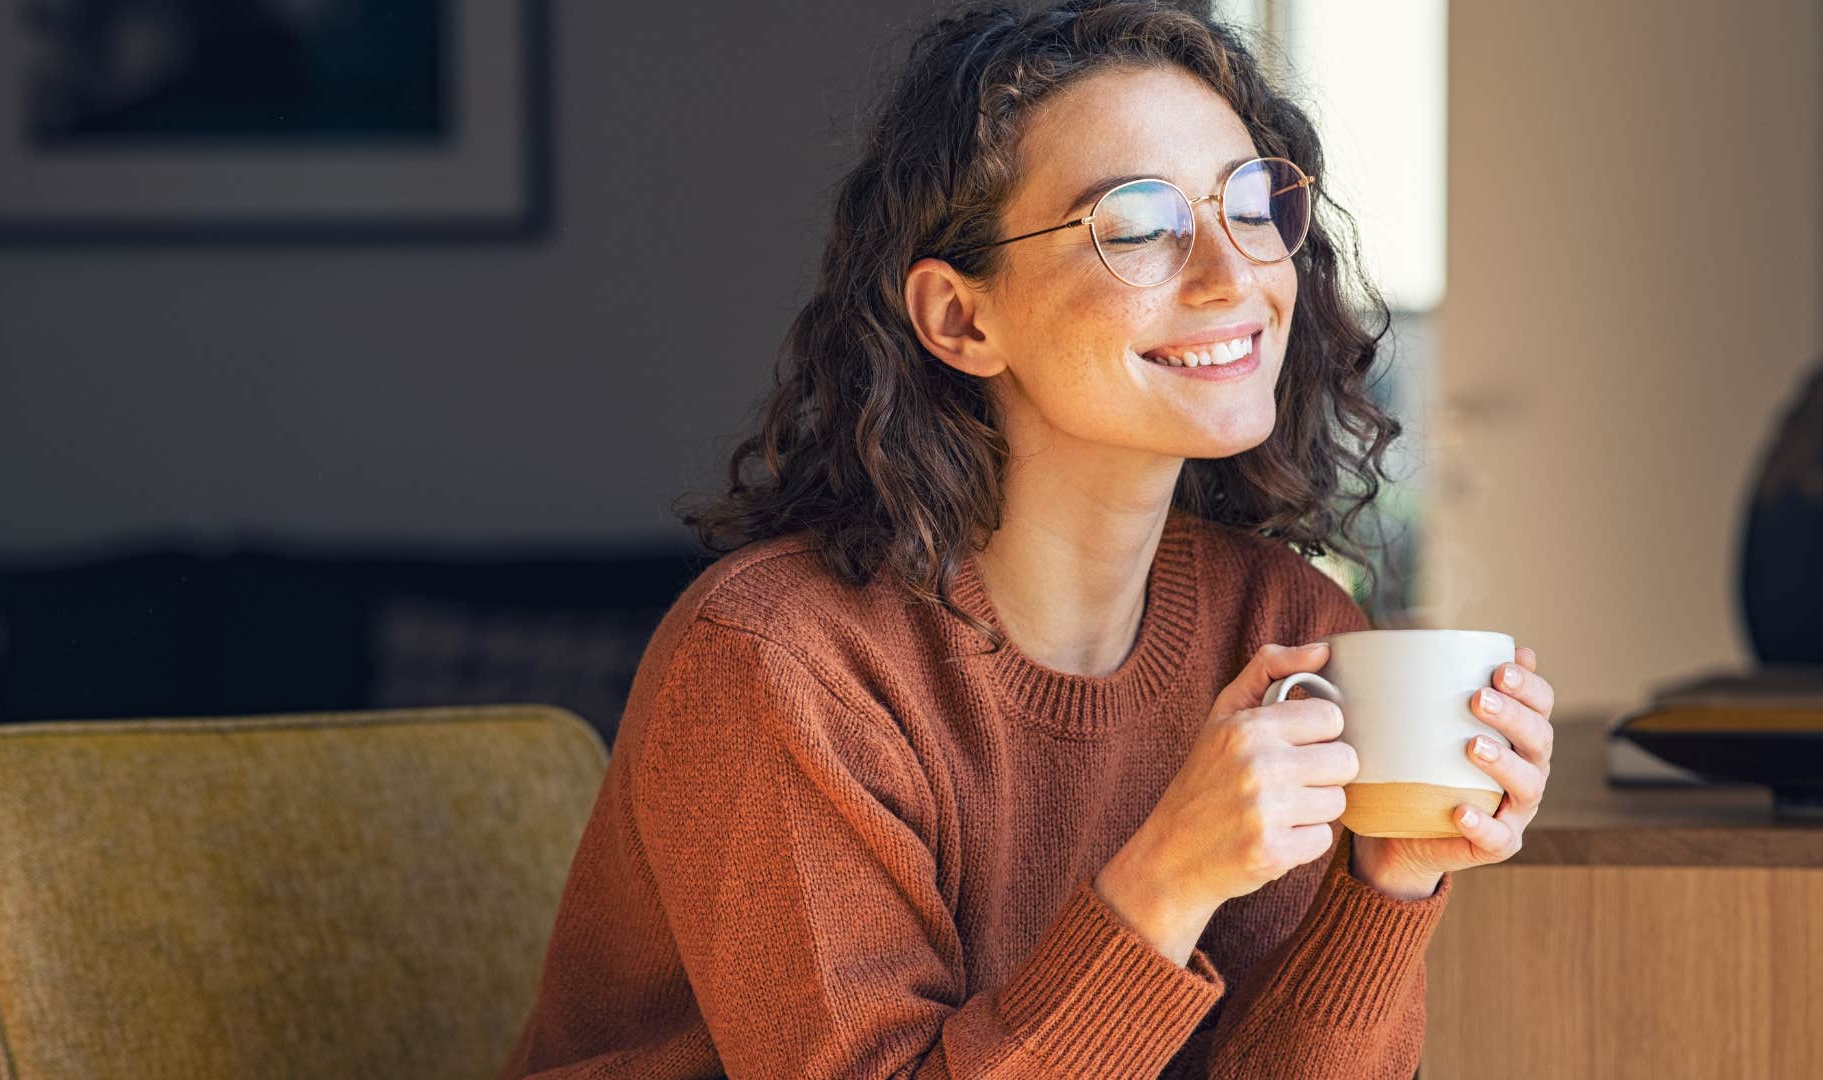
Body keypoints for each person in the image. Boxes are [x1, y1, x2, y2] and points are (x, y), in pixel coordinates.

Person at [499, 1, 1555, 1076]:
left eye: (1251, 205)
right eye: (1137, 225)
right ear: (962, 319)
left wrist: (1390, 879)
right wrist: (1166, 882)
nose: (1233, 276)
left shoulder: (1283, 628)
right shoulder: (781, 664)